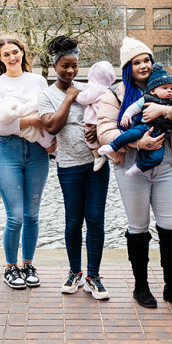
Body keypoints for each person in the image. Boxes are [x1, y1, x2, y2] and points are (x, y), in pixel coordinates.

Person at [97, 38, 172, 310]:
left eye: (147, 59)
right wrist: (136, 142)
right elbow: (104, 130)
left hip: (165, 165)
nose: (143, 65)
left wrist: (165, 109)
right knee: (138, 227)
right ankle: (141, 286)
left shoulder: (169, 85)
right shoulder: (116, 94)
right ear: (127, 67)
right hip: (131, 166)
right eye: (136, 61)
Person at [39, 36, 110, 300]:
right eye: (65, 66)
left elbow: (106, 116)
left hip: (96, 165)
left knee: (95, 219)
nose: (70, 71)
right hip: (69, 166)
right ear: (55, 65)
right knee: (73, 221)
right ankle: (74, 272)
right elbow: (52, 126)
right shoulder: (47, 95)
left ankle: (94, 275)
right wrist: (68, 98)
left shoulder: (89, 89)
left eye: (75, 66)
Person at [0, 34, 56, 290]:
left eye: (15, 52)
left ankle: (28, 264)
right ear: (0, 59)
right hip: (7, 152)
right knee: (15, 216)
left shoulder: (38, 80)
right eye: (6, 54)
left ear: (23, 53)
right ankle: (11, 267)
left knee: (32, 214)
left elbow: (47, 115)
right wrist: (30, 120)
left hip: (37, 151)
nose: (12, 57)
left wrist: (33, 123)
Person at [99, 63, 172, 176]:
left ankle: (138, 167)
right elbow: (134, 108)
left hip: (161, 136)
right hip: (144, 128)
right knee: (129, 134)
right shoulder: (146, 98)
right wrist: (126, 116)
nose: (169, 91)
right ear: (153, 91)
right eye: (165, 88)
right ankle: (112, 146)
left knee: (157, 158)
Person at [75, 60, 116, 171]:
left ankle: (98, 156)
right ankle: (107, 152)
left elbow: (85, 99)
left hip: (93, 119)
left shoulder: (94, 87)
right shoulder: (108, 88)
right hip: (105, 119)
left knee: (90, 138)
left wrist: (75, 94)